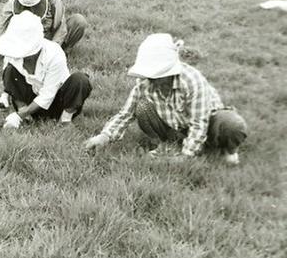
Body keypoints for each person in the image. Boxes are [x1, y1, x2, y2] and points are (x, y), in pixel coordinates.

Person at [84, 33, 248, 165]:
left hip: (207, 122)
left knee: (231, 124)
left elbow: (200, 123)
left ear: (170, 72)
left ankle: (227, 151)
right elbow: (125, 114)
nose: (152, 80)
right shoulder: (145, 83)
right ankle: (169, 144)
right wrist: (104, 136)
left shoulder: (191, 80)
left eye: (157, 75)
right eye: (149, 75)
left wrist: (185, 158)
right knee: (142, 107)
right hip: (175, 126)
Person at [0, 11, 92, 128]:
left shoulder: (54, 54)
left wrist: (18, 115)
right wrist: (5, 97)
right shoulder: (11, 53)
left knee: (80, 80)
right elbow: (9, 78)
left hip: (57, 102)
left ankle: (65, 119)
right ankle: (26, 116)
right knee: (10, 70)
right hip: (31, 99)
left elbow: (48, 95)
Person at [0, 0, 86, 51]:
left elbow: (60, 28)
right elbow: (0, 36)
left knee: (79, 21)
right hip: (26, 42)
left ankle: (64, 52)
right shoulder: (11, 5)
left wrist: (52, 52)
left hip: (49, 37)